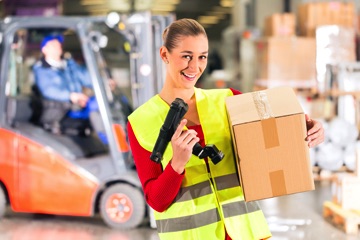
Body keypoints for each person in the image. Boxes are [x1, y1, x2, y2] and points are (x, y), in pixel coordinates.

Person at [127, 19, 324, 240]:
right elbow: (156, 201)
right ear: (164, 55)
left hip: (246, 234)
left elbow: (277, 131)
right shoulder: (141, 121)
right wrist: (177, 165)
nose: (195, 67)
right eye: (186, 56)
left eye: (202, 56)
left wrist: (307, 128)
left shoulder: (228, 99)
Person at [33, 34, 108, 144]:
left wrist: (103, 82)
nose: (58, 47)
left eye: (59, 45)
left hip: (77, 104)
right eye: (54, 45)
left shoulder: (68, 64)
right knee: (95, 106)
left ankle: (122, 141)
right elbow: (49, 90)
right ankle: (111, 145)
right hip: (60, 109)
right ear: (44, 49)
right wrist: (71, 96)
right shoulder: (42, 69)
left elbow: (84, 77)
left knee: (104, 102)